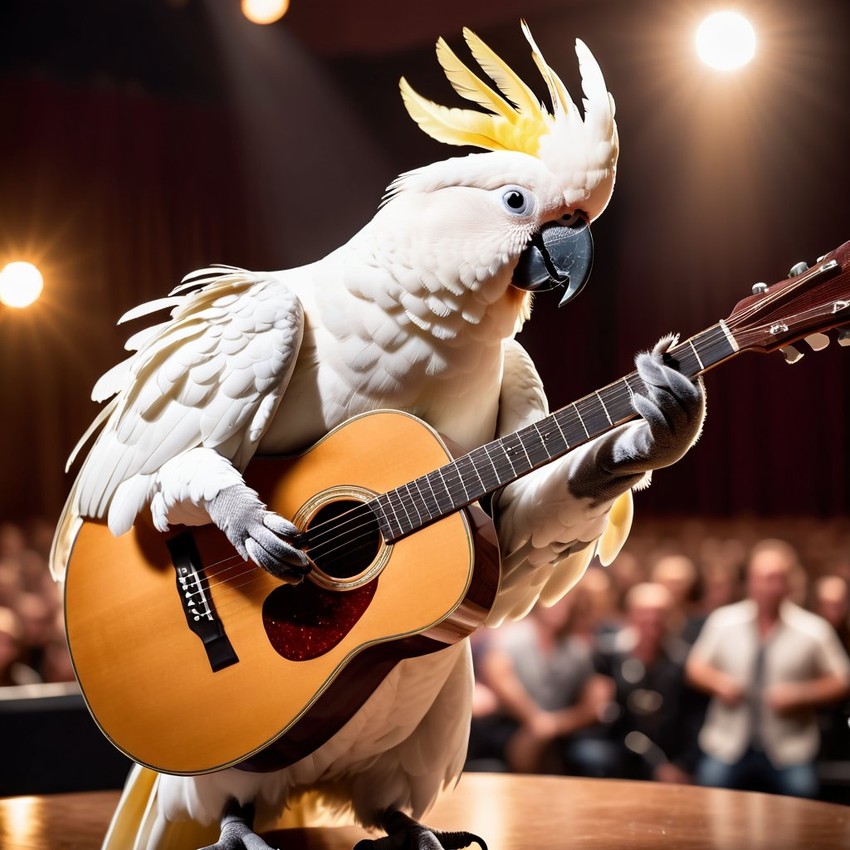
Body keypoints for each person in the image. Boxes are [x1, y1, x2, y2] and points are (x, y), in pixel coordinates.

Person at [686, 539, 850, 798]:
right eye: (761, 578)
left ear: (790, 582)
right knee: (708, 797)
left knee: (803, 801)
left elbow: (842, 679)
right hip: (729, 743)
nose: (768, 587)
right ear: (749, 581)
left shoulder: (813, 629)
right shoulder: (723, 622)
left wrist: (801, 694)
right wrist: (720, 684)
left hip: (789, 748)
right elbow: (695, 667)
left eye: (776, 578)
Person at [576, 582, 701, 782]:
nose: (651, 619)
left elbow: (692, 720)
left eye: (658, 613)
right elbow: (599, 707)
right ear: (630, 615)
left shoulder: (682, 662)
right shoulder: (608, 655)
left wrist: (680, 764)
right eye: (643, 612)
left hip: (666, 751)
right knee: (590, 755)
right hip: (618, 744)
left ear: (670, 617)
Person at [479, 592, 610, 774]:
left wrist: (553, 725)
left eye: (566, 602)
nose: (559, 607)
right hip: (514, 723)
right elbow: (497, 675)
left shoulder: (579, 649)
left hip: (561, 730)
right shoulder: (513, 636)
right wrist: (534, 719)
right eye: (555, 600)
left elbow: (594, 703)